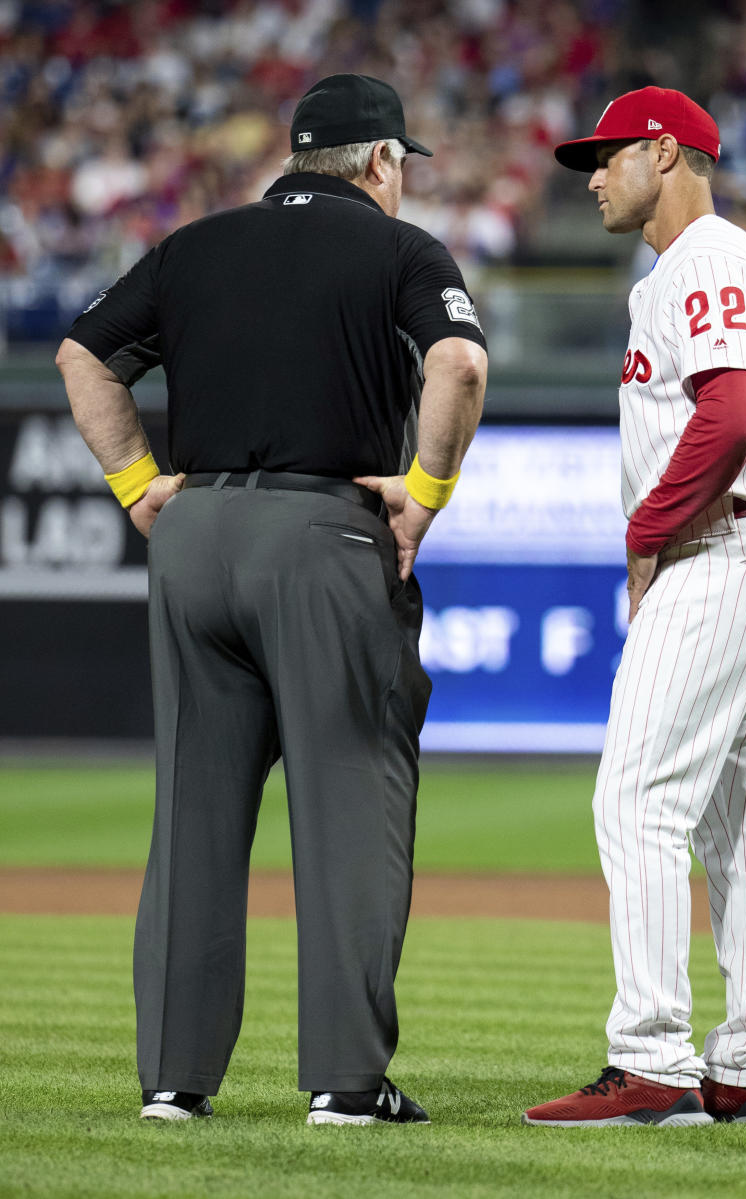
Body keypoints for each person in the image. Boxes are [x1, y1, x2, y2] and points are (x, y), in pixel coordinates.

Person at [56, 73, 487, 1126]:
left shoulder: (194, 245)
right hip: (322, 530)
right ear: (383, 162)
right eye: (401, 164)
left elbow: (81, 355)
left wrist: (136, 486)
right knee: (349, 806)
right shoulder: (401, 249)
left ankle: (172, 1080)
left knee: (194, 814)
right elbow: (461, 365)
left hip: (195, 537)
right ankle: (344, 1081)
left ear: (296, 158)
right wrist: (425, 494)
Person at [523, 87, 746, 1128]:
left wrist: (654, 528)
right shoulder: (730, 268)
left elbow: (740, 411)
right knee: (743, 823)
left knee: (639, 797)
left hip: (716, 551)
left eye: (606, 156)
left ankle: (650, 1062)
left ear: (664, 149)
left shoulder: (706, 261)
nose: (593, 175)